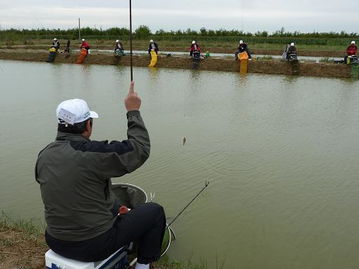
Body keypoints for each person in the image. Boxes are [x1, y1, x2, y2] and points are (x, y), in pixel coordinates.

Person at [35, 82, 166, 269]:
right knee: (154, 211)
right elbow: (139, 150)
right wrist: (133, 111)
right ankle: (142, 267)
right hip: (93, 245)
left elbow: (74, 191)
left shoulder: (44, 155)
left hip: (55, 240)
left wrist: (116, 208)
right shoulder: (92, 153)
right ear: (88, 125)